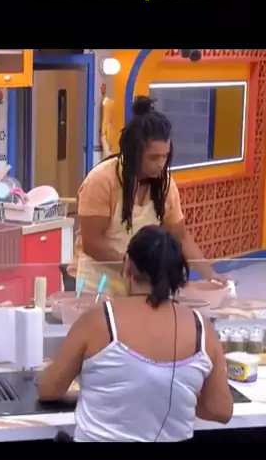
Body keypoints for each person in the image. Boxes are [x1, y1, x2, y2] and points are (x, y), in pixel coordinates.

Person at [38, 225, 233, 442]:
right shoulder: (202, 330)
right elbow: (221, 410)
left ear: (128, 266)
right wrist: (179, 397)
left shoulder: (97, 320)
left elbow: (49, 389)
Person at [71, 94, 226, 297]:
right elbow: (92, 243)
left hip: (140, 285)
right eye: (153, 157)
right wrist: (133, 266)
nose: (161, 163)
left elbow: (180, 237)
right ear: (135, 153)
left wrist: (209, 274)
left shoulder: (165, 185)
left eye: (165, 156)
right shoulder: (101, 181)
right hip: (99, 284)